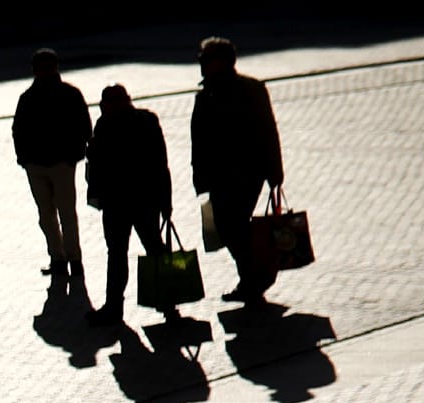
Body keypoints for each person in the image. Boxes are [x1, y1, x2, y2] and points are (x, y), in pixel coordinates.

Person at [191, 37, 285, 302]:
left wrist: (274, 171)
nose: (201, 63)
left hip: (247, 172)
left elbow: (268, 130)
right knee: (227, 227)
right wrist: (200, 177)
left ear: (221, 61)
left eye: (205, 58)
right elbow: (199, 141)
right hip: (218, 174)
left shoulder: (250, 89)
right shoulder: (206, 94)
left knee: (234, 226)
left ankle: (254, 279)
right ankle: (252, 278)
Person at [85, 84, 175, 323]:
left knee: (133, 251)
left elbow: (159, 161)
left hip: (132, 200)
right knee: (135, 251)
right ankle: (162, 303)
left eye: (114, 101)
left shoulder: (138, 122)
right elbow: (160, 163)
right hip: (126, 201)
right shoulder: (110, 124)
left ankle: (122, 307)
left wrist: (165, 200)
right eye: (108, 103)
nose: (111, 107)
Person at [12, 48, 91, 292]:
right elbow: (18, 130)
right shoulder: (29, 97)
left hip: (59, 164)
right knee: (48, 214)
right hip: (38, 165)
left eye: (48, 66)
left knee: (64, 213)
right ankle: (58, 258)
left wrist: (73, 156)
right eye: (41, 67)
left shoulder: (68, 94)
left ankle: (72, 259)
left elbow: (84, 127)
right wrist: (24, 159)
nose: (45, 71)